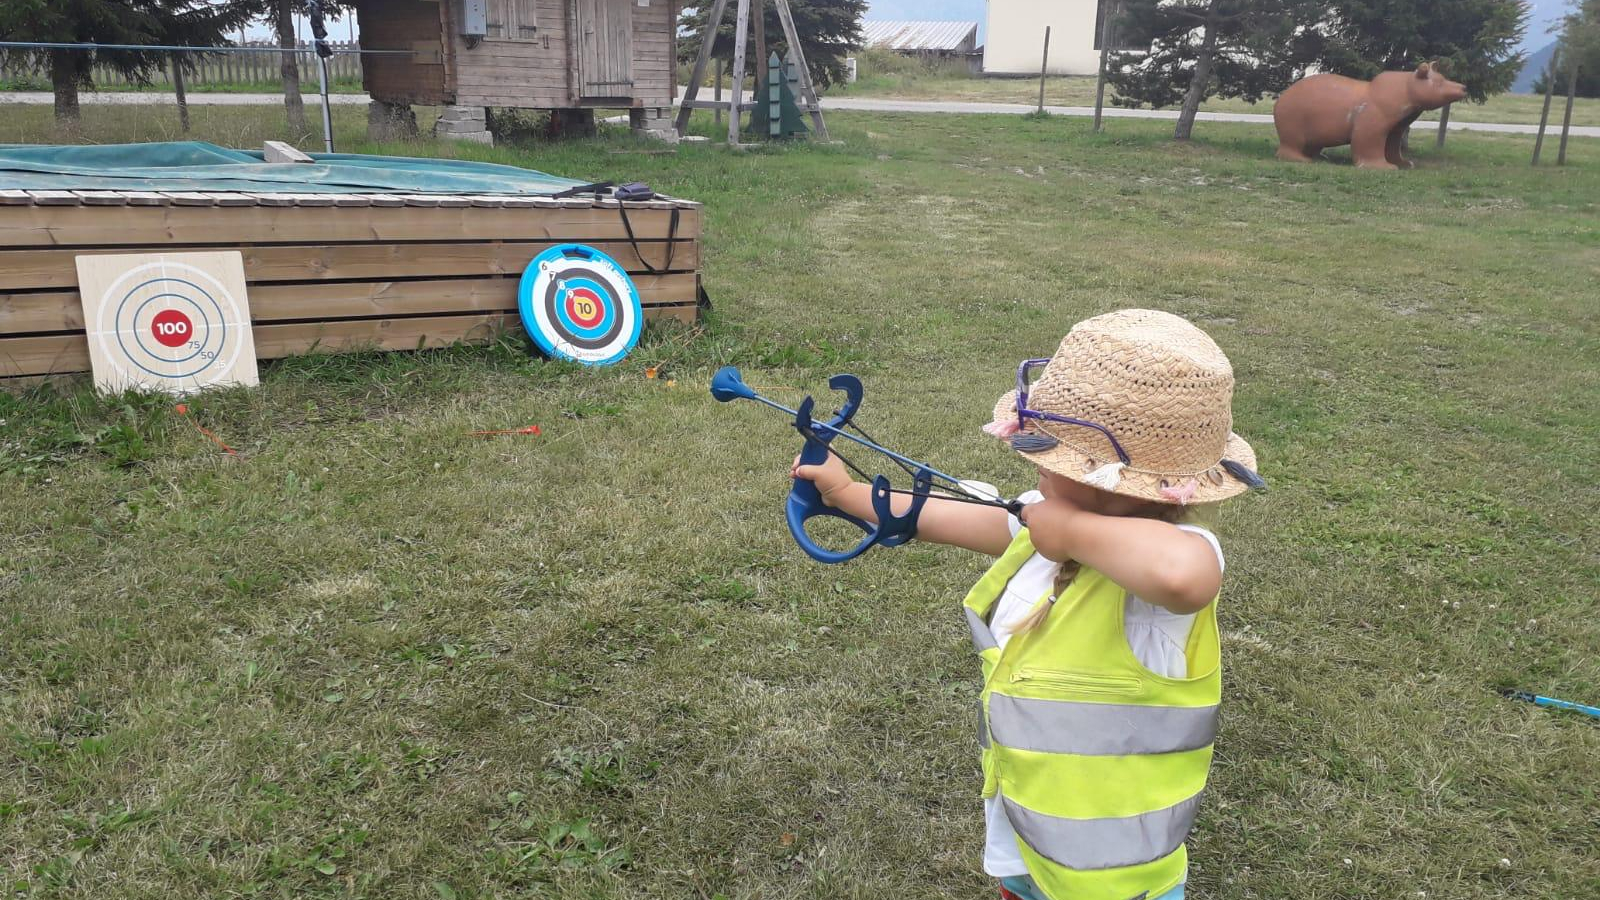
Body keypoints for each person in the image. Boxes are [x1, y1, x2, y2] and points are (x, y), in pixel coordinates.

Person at [792, 309, 1265, 900]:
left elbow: (1183, 575)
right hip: (1029, 836)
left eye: (1053, 455)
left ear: (1104, 479)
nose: (1036, 463)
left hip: (1115, 878)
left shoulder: (1176, 557)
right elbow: (943, 514)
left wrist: (1065, 529)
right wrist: (843, 491)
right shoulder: (1048, 525)